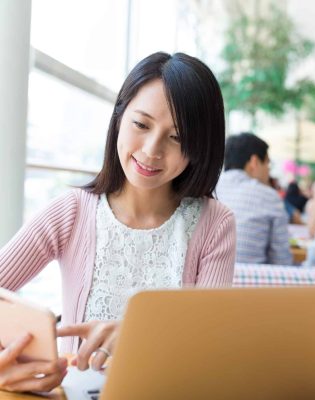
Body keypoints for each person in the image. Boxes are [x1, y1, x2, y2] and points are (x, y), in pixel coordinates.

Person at [0, 51, 236, 393]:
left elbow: (212, 345)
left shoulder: (215, 223)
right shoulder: (71, 211)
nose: (152, 150)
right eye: (141, 125)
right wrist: (12, 361)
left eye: (178, 137)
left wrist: (135, 336)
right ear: (119, 118)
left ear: (201, 146)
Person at [216, 133, 292, 265]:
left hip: (204, 283)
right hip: (252, 282)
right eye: (268, 164)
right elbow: (281, 259)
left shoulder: (209, 188)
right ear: (254, 162)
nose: (268, 171)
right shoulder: (269, 196)